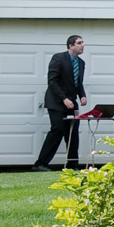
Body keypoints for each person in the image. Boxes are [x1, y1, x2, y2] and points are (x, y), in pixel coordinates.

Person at [33, 35, 89, 171]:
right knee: (57, 129)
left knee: (73, 133)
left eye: (83, 43)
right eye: (79, 43)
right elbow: (52, 81)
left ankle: (72, 165)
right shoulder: (58, 58)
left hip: (72, 103)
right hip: (56, 102)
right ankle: (40, 164)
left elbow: (78, 83)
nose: (83, 45)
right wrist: (64, 98)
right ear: (70, 46)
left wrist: (82, 96)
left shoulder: (81, 63)